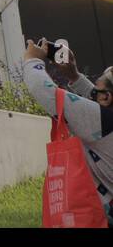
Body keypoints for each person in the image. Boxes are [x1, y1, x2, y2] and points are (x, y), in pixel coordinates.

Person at [21, 40, 113, 225]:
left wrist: (32, 61)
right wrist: (74, 76)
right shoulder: (104, 122)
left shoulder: (103, 122)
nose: (92, 92)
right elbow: (98, 99)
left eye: (97, 87)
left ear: (106, 98)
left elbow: (45, 92)